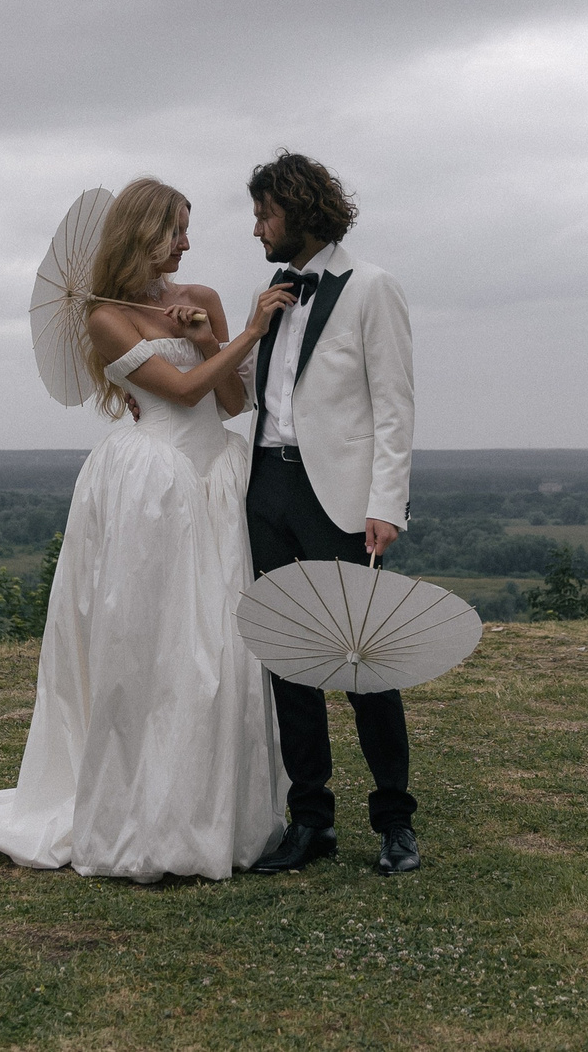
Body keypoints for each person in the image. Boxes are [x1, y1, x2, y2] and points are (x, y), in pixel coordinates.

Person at [0, 177, 295, 881]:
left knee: (221, 646)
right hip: (150, 483)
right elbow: (181, 390)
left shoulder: (204, 299)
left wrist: (211, 333)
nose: (187, 244)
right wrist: (249, 332)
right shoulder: (105, 318)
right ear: (144, 231)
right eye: (177, 229)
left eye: (188, 230)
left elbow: (229, 398)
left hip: (214, 480)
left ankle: (216, 807)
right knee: (148, 642)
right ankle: (140, 803)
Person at [241, 151, 421, 875]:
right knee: (289, 659)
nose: (256, 227)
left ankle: (395, 822)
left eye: (264, 213)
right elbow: (260, 398)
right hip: (268, 489)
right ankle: (311, 820)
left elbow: (395, 406)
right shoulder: (272, 292)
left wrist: (387, 504)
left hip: (342, 500)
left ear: (299, 209)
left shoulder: (372, 287)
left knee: (364, 660)